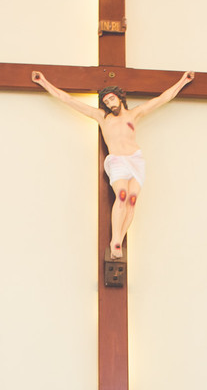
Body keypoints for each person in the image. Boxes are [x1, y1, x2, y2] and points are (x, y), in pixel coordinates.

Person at [31, 70, 195, 261]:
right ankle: (115, 240)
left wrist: (183, 81)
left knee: (132, 200)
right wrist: (43, 81)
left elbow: (162, 98)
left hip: (135, 160)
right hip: (117, 160)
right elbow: (68, 99)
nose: (109, 103)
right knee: (122, 195)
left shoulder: (135, 114)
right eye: (106, 102)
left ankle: (119, 240)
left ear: (119, 97)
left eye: (111, 99)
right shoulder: (102, 117)